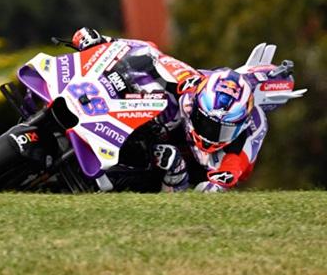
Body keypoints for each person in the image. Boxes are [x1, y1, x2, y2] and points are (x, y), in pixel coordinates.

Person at [69, 27, 304, 192]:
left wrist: (214, 184)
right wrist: (103, 42)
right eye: (205, 123)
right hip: (165, 129)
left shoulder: (254, 125)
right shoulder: (192, 85)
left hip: (188, 169)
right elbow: (149, 51)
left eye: (220, 130)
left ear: (240, 123)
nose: (209, 134)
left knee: (172, 162)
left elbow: (233, 168)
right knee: (156, 100)